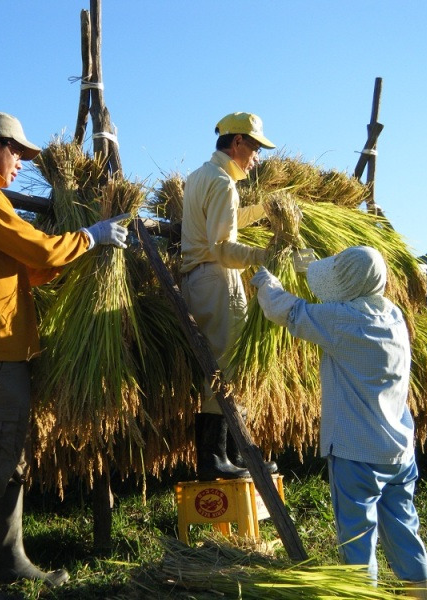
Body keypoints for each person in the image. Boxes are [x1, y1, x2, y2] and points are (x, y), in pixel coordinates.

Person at [0, 111, 129, 600]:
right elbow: (40, 252)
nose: (21, 163)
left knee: (9, 460)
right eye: (16, 153)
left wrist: (76, 253)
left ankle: (11, 562)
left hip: (4, 354)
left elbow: (25, 269)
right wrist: (90, 236)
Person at [250, 246, 427, 600]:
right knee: (404, 530)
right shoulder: (393, 316)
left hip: (356, 455)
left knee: (357, 541)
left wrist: (266, 283)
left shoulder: (341, 321)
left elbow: (286, 310)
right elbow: (346, 295)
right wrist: (310, 271)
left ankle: (362, 594)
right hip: (398, 453)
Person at [179, 112, 278, 480]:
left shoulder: (201, 176)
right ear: (237, 143)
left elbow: (225, 218)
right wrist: (262, 256)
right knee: (224, 366)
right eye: (254, 148)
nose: (256, 157)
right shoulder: (222, 183)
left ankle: (232, 455)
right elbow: (222, 246)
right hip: (217, 277)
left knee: (219, 363)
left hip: (200, 279)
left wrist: (266, 211)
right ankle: (215, 457)